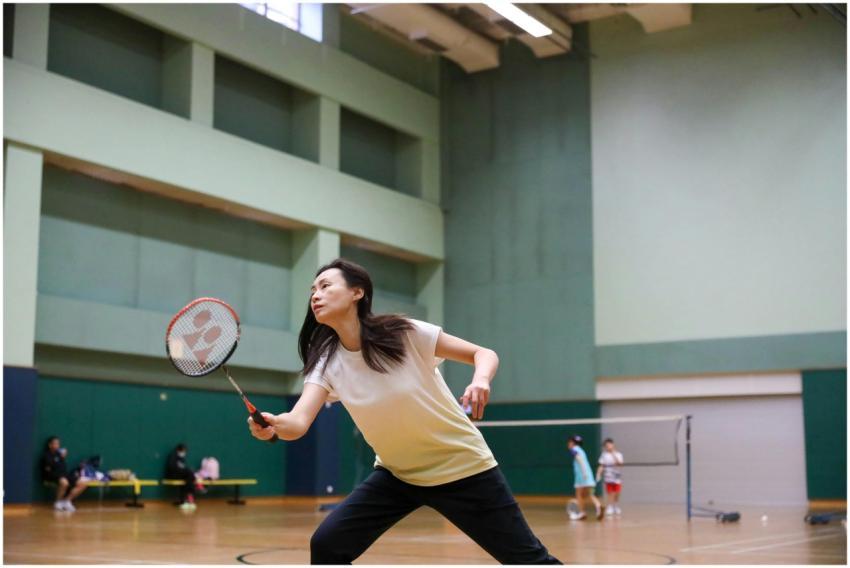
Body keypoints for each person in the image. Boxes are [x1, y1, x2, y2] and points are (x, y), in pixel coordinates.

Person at [248, 258, 561, 565]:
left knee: (528, 560)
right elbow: (298, 422)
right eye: (312, 290)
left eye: (326, 286)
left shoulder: (402, 333)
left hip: (463, 468)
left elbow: (484, 353)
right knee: (328, 544)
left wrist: (480, 380)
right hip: (398, 475)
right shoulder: (326, 362)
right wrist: (275, 424)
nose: (315, 295)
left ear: (357, 292)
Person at [40, 436, 88, 512]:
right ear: (50, 445)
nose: (57, 445)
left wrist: (62, 457)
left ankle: (66, 501)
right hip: (53, 475)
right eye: (55, 444)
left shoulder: (59, 454)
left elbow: (62, 466)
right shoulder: (46, 455)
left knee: (83, 484)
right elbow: (48, 469)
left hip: (64, 474)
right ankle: (57, 503)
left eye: (58, 444)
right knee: (64, 482)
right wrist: (60, 458)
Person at [566, 435, 602, 521]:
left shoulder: (574, 450)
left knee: (579, 494)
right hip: (588, 475)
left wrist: (584, 472)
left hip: (581, 475)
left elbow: (579, 460)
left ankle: (582, 513)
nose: (568, 444)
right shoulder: (582, 450)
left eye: (569, 442)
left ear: (572, 443)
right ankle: (598, 506)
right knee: (590, 494)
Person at [165, 443, 205, 509]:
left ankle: (184, 500)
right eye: (183, 451)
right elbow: (172, 468)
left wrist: (184, 470)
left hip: (182, 475)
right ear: (178, 450)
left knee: (188, 479)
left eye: (185, 451)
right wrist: (183, 470)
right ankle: (196, 488)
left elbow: (183, 467)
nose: (184, 452)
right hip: (173, 475)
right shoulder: (172, 456)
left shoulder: (182, 458)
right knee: (190, 474)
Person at [596, 438, 624, 516]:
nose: (607, 446)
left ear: (612, 444)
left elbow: (620, 464)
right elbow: (601, 465)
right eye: (606, 446)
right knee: (610, 493)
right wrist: (598, 474)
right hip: (608, 477)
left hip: (617, 477)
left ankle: (616, 506)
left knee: (617, 493)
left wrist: (613, 454)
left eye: (609, 445)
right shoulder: (603, 455)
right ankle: (610, 507)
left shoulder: (619, 454)